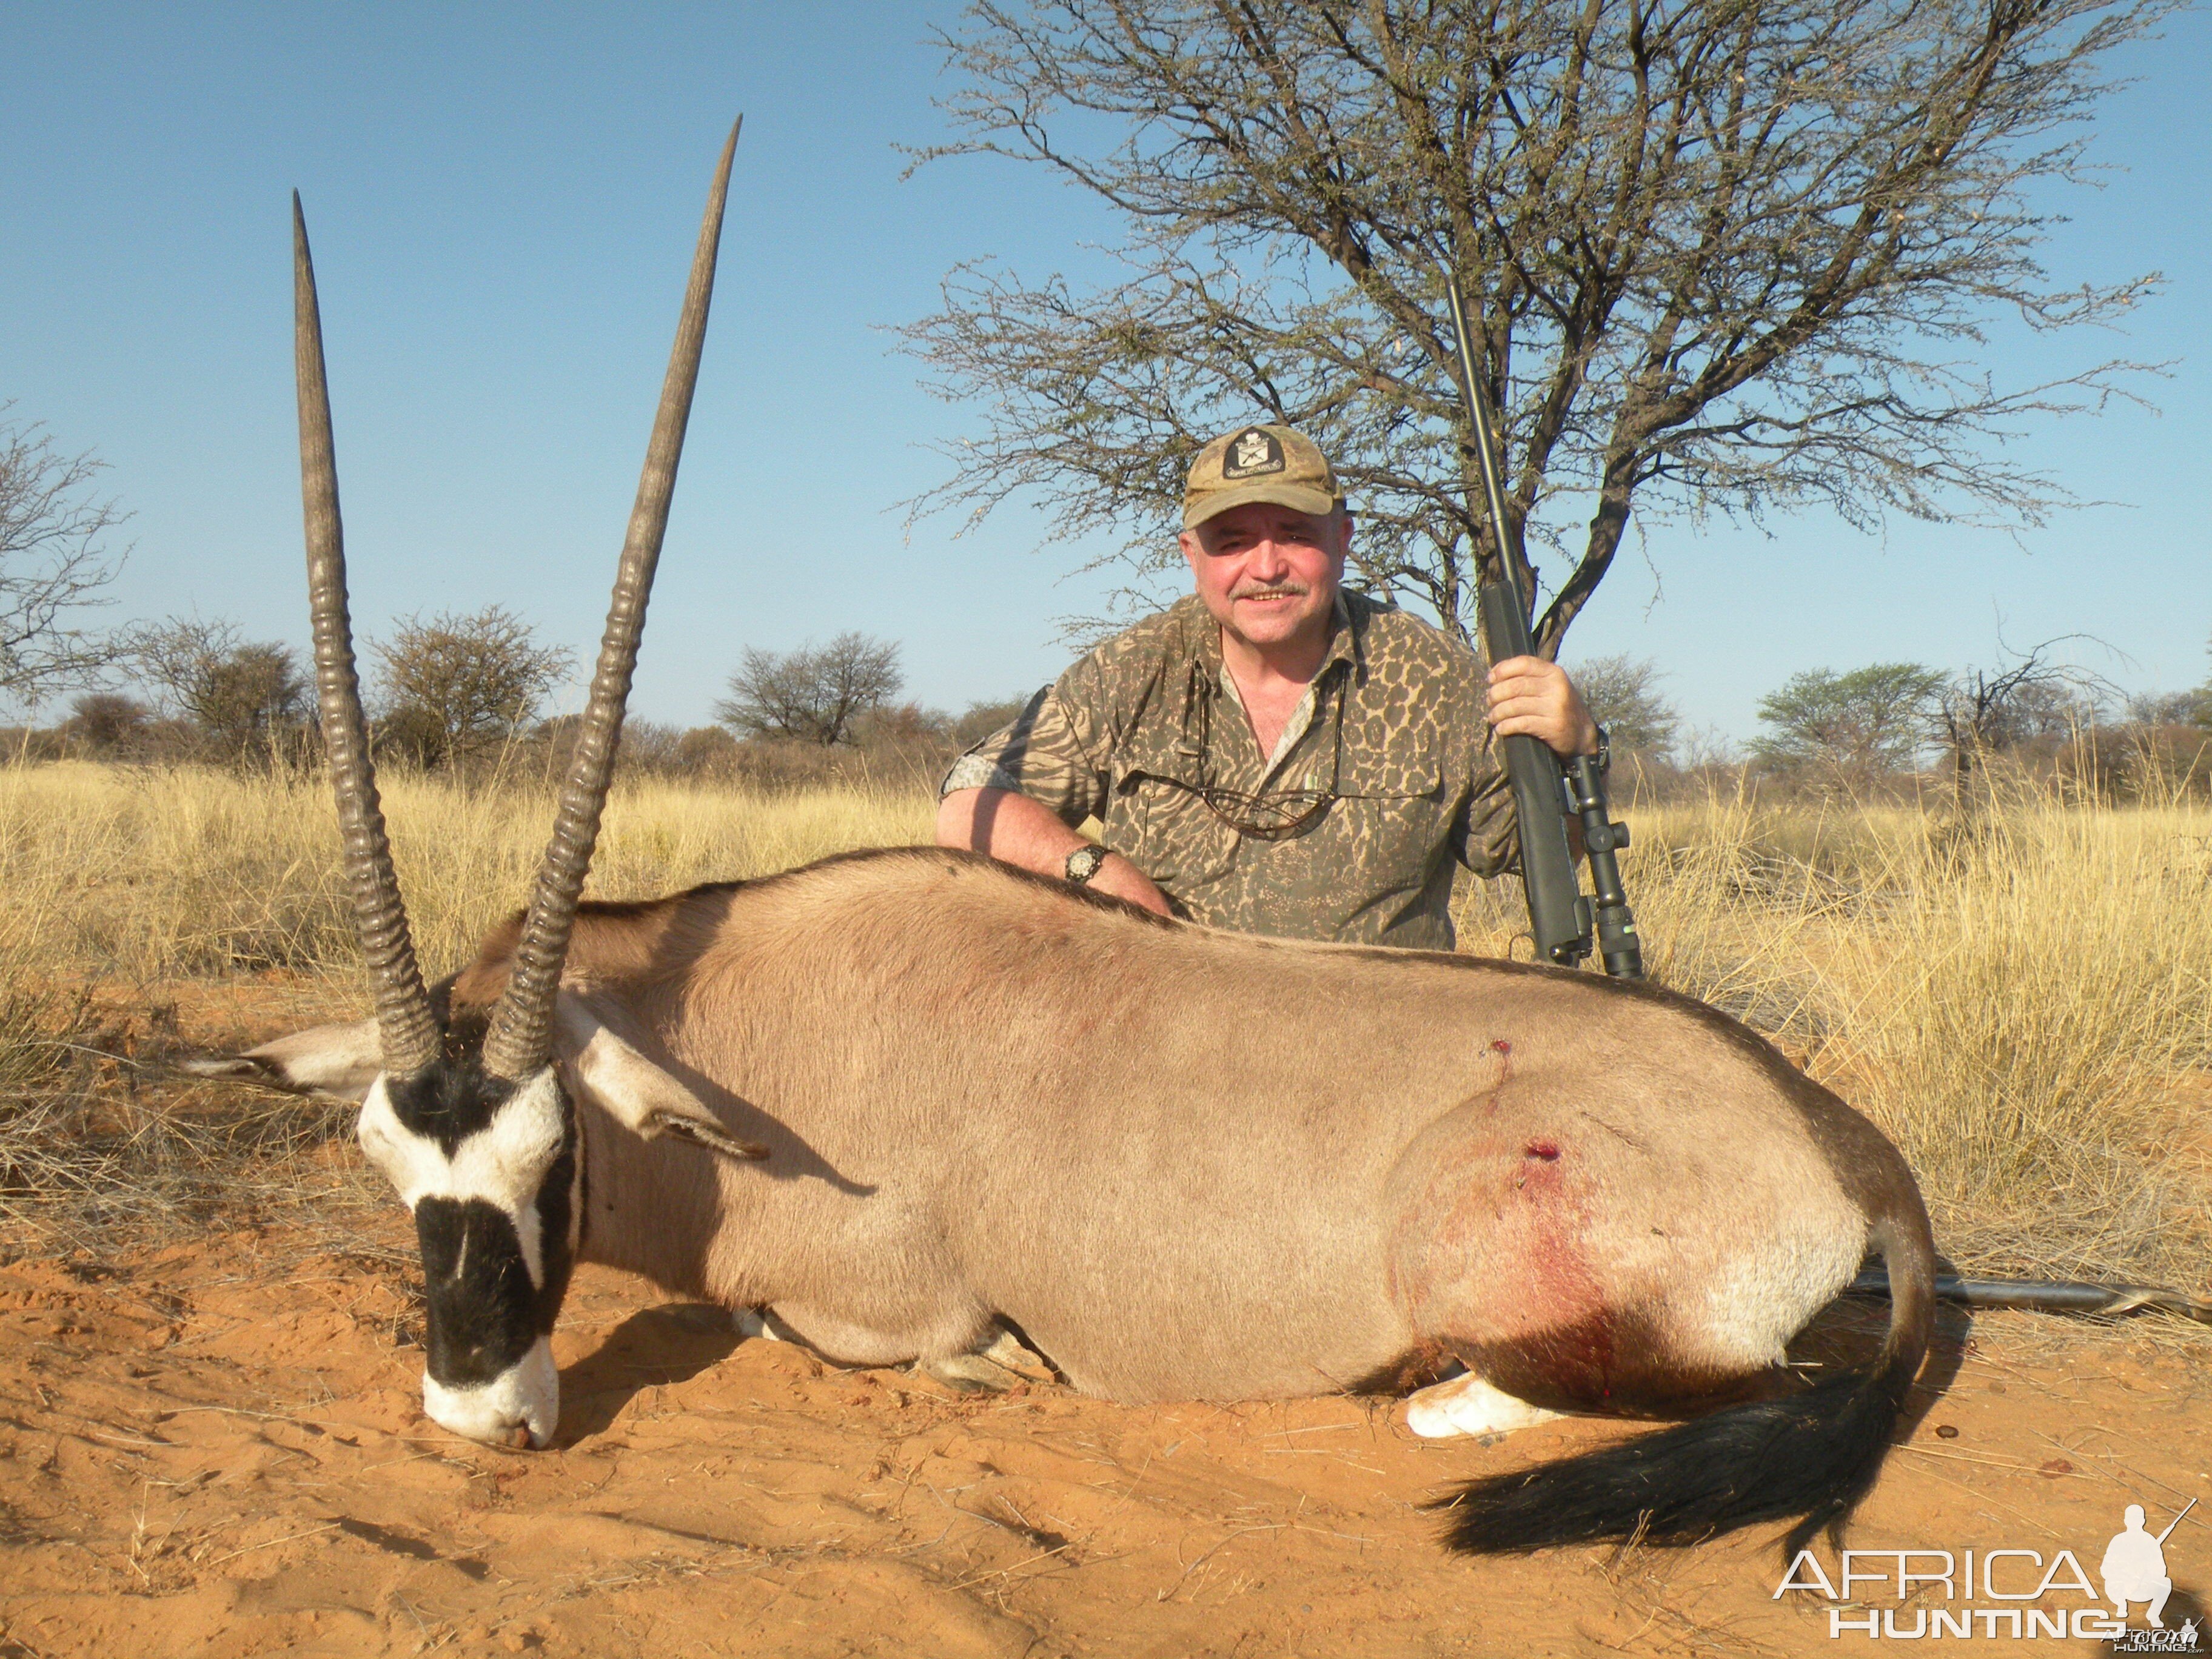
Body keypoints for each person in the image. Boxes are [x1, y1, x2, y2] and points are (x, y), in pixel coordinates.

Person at [936, 422, 1602, 951]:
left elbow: (1529, 852)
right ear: (1191, 557)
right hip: (1166, 1049)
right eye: (1232, 541)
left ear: (1342, 540)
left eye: (1294, 534)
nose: (1266, 566)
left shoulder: (1437, 677)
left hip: (1383, 1059)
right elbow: (969, 807)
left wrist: (1580, 750)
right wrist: (1101, 876)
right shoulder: (1127, 673)